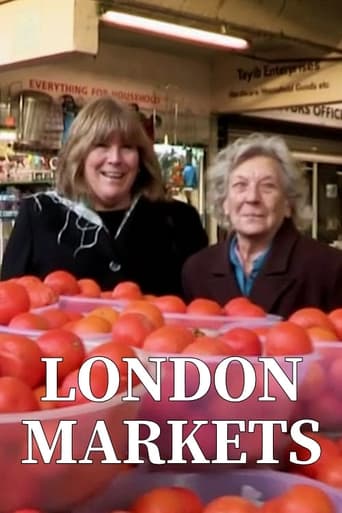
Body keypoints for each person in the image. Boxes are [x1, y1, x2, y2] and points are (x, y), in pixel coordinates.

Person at [1, 97, 208, 296]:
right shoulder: (39, 215)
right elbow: (8, 303)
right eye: (101, 145)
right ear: (79, 155)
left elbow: (204, 310)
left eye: (127, 147)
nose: (115, 159)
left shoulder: (179, 220)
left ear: (141, 157)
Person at [182, 133, 342, 317]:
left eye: (268, 186)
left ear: (289, 203)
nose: (252, 198)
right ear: (224, 202)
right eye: (240, 185)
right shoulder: (196, 270)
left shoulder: (329, 268)